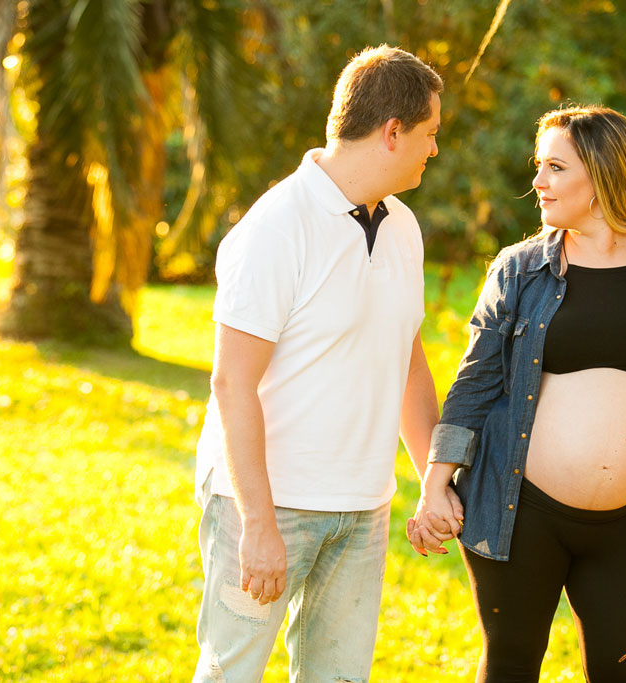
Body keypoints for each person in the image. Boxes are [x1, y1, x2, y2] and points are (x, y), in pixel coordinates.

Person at [411, 105, 626, 683]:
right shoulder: (519, 269)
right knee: (509, 667)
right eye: (539, 165)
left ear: (601, 176)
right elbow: (475, 382)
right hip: (521, 509)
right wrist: (435, 483)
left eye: (555, 167)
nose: (537, 183)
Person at [192, 45, 458, 682]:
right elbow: (232, 382)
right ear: (392, 132)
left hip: (362, 508)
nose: (435, 150)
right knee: (231, 673)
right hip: (266, 504)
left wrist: (430, 479)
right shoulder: (276, 228)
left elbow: (407, 360)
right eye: (430, 134)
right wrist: (258, 525)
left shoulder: (403, 227)